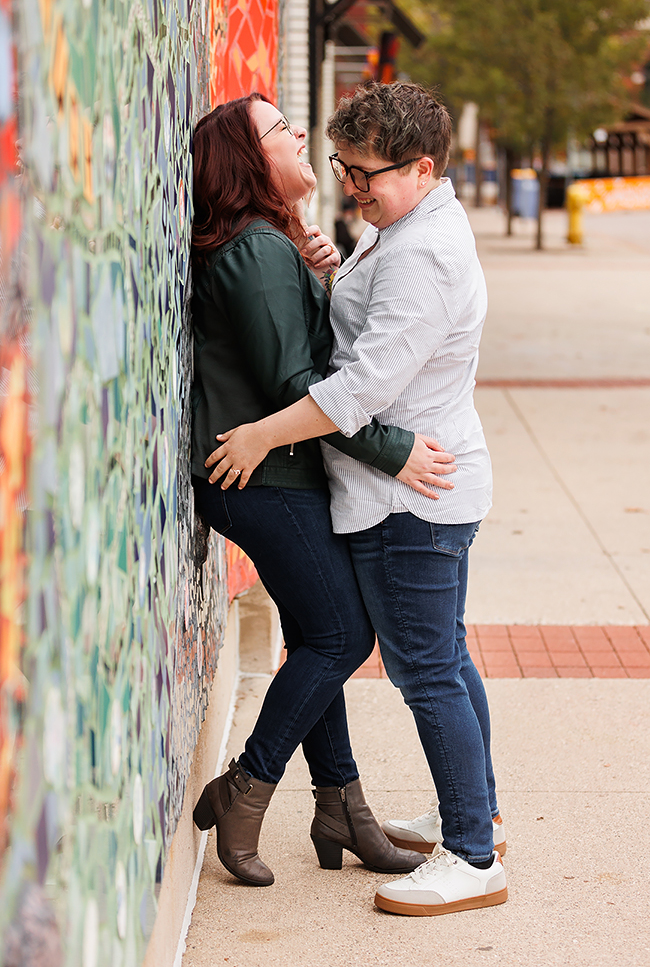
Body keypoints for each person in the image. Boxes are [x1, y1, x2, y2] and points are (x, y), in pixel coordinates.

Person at [205, 82, 508, 916]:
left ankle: (474, 857)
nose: (350, 184)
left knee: (427, 674)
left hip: (411, 494)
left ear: (422, 165)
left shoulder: (422, 252)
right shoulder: (402, 226)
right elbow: (368, 329)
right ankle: (471, 815)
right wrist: (335, 277)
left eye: (364, 171)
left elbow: (361, 388)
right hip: (402, 486)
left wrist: (262, 434)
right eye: (342, 165)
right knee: (442, 659)